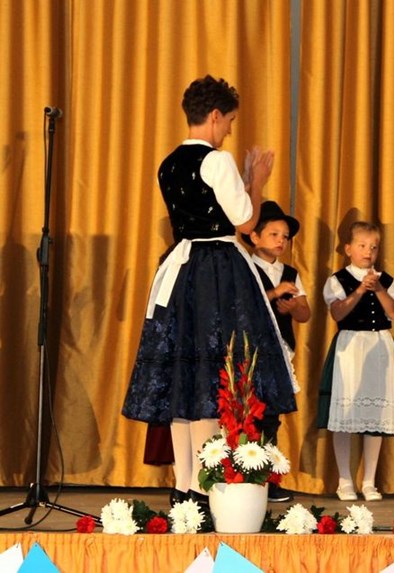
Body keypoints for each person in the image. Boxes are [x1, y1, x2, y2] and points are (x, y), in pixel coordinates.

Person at [122, 75, 298, 506]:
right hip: (217, 270)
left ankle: (184, 486)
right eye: (230, 121)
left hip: (181, 269)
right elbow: (245, 222)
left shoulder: (168, 163)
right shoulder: (217, 160)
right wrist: (257, 181)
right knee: (209, 376)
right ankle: (203, 488)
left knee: (186, 376)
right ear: (215, 116)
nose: (230, 130)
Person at [317, 221, 394, 502]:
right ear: (348, 249)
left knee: (376, 414)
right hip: (351, 348)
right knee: (344, 414)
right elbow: (338, 313)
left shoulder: (387, 281)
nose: (368, 252)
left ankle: (369, 481)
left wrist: (378, 289)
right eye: (362, 246)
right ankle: (344, 480)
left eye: (373, 247)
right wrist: (360, 290)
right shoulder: (338, 280)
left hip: (379, 346)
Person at [242, 200, 311, 503]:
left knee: (271, 417)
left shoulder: (290, 273)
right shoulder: (244, 267)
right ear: (254, 236)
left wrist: (293, 306)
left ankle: (268, 480)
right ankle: (244, 476)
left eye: (284, 236)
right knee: (248, 415)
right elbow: (241, 306)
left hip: (279, 352)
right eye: (274, 234)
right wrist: (274, 293)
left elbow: (305, 313)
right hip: (252, 352)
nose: (281, 241)